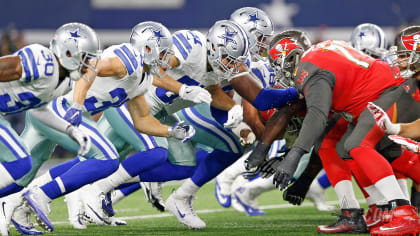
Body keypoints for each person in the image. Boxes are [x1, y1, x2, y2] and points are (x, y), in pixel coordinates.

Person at [2, 21, 198, 234]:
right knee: (107, 158)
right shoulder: (129, 59)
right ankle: (41, 195)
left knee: (18, 175)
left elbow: (142, 120)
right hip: (61, 110)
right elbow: (89, 71)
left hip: (47, 111)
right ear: (148, 49)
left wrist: (170, 131)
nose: (167, 61)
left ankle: (14, 208)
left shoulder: (142, 78)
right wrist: (76, 105)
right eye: (164, 53)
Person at [247, 26, 420, 235]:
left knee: (359, 146)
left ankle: (403, 213)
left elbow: (317, 115)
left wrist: (293, 157)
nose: (278, 71)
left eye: (277, 64)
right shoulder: (319, 54)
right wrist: (282, 152)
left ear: (288, 58)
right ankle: (382, 209)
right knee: (343, 148)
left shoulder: (308, 68)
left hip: (388, 95)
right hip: (378, 98)